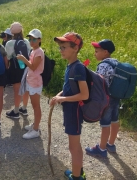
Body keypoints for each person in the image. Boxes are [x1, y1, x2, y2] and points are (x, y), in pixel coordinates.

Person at [50, 32, 88, 180]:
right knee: (75, 146)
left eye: (64, 47)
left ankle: (77, 176)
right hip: (70, 109)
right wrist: (59, 96)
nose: (61, 50)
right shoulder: (71, 65)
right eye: (60, 47)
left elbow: (84, 95)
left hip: (74, 111)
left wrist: (63, 99)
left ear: (75, 48)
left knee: (73, 147)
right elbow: (69, 88)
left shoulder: (78, 68)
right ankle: (78, 169)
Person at [85, 39, 119, 157]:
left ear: (105, 52)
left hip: (106, 99)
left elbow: (99, 83)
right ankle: (111, 144)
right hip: (116, 97)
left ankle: (102, 149)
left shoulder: (103, 65)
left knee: (105, 124)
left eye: (96, 51)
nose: (95, 53)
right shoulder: (116, 62)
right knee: (115, 121)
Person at [17, 29, 44, 139]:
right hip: (31, 81)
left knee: (36, 106)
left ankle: (36, 129)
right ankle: (35, 125)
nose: (31, 41)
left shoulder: (39, 52)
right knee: (34, 105)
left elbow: (33, 67)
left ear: (39, 40)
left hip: (35, 82)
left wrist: (23, 59)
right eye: (30, 39)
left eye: (34, 39)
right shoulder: (34, 51)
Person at [5, 22, 31, 118]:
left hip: (15, 68)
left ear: (12, 32)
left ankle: (16, 111)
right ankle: (24, 108)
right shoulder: (26, 42)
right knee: (25, 89)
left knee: (17, 90)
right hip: (27, 67)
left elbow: (8, 56)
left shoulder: (9, 43)